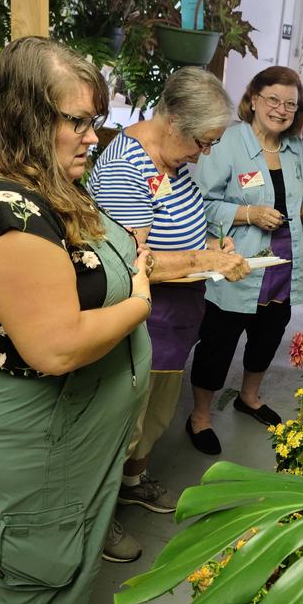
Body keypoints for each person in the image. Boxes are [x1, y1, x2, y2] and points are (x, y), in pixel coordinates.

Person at [0, 37, 151, 604]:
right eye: (76, 121)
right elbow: (56, 349)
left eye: (95, 121)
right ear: (27, 118)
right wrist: (138, 301)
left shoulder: (47, 184)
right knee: (40, 568)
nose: (92, 137)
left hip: (76, 422)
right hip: (42, 427)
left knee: (71, 552)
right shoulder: (3, 211)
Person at [87, 67, 250, 563]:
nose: (205, 154)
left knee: (155, 413)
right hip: (136, 320)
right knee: (120, 422)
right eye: (203, 141)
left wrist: (210, 244)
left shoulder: (175, 163)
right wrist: (206, 260)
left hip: (175, 318)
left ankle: (134, 482)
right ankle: (96, 520)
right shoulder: (125, 166)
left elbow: (178, 230)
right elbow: (133, 263)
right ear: (173, 119)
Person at [188, 66, 303, 453]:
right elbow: (200, 202)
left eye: (290, 104)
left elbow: (299, 197)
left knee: (268, 334)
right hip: (238, 264)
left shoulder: (296, 148)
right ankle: (200, 416)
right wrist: (248, 214)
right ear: (253, 99)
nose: (281, 110)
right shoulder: (227, 143)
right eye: (273, 99)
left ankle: (248, 396)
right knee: (218, 340)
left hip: (285, 263)